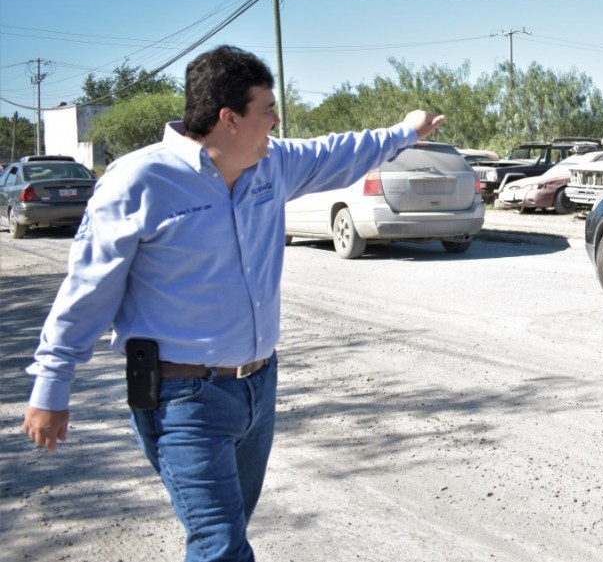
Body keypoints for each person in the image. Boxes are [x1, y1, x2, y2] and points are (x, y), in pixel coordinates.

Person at [22, 45, 445, 561]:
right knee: (220, 546)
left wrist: (406, 131)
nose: (276, 120)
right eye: (267, 108)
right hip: (181, 400)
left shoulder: (272, 165)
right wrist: (52, 384)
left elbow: (339, 151)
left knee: (224, 534)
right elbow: (89, 290)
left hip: (257, 388)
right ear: (229, 118)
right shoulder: (138, 182)